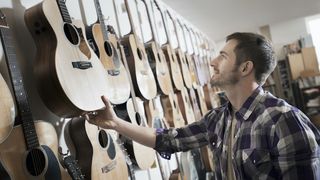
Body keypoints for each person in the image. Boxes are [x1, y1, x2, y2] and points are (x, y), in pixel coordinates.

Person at [86, 32, 320, 180]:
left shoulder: (284, 120)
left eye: (223, 56)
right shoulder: (219, 119)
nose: (212, 61)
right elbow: (167, 139)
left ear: (245, 68)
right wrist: (116, 123)